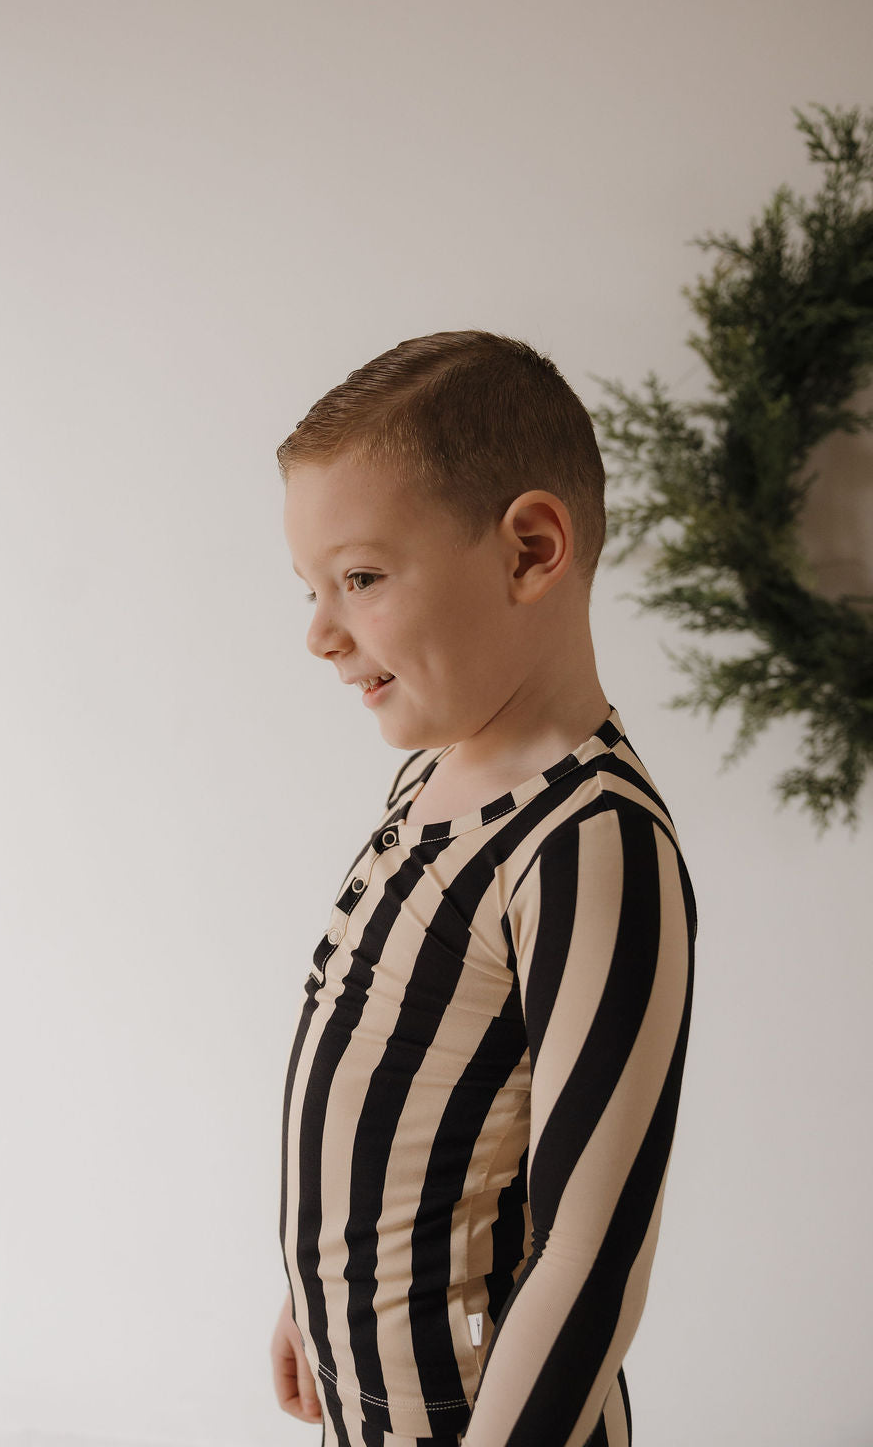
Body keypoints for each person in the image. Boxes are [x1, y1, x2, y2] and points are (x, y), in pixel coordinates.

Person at [270, 330, 696, 1447]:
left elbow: (589, 1260)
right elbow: (389, 1090)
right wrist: (315, 1295)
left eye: (361, 579)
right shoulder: (431, 776)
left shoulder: (588, 839)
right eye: (312, 588)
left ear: (529, 552)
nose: (320, 634)